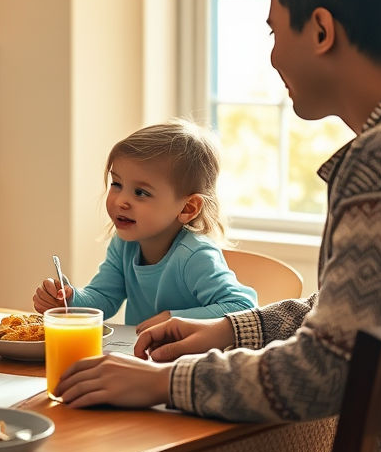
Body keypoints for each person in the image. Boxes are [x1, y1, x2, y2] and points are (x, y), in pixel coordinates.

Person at [52, 0, 381, 452]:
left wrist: (164, 382)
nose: (274, 57)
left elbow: (328, 368)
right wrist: (233, 328)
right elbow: (360, 319)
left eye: (274, 33)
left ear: (320, 30)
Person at [32, 120, 256, 328]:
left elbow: (243, 308)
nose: (120, 201)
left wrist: (172, 319)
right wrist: (69, 299)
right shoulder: (124, 245)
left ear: (187, 208)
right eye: (117, 184)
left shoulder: (194, 256)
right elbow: (104, 298)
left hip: (185, 364)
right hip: (142, 359)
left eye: (140, 192)